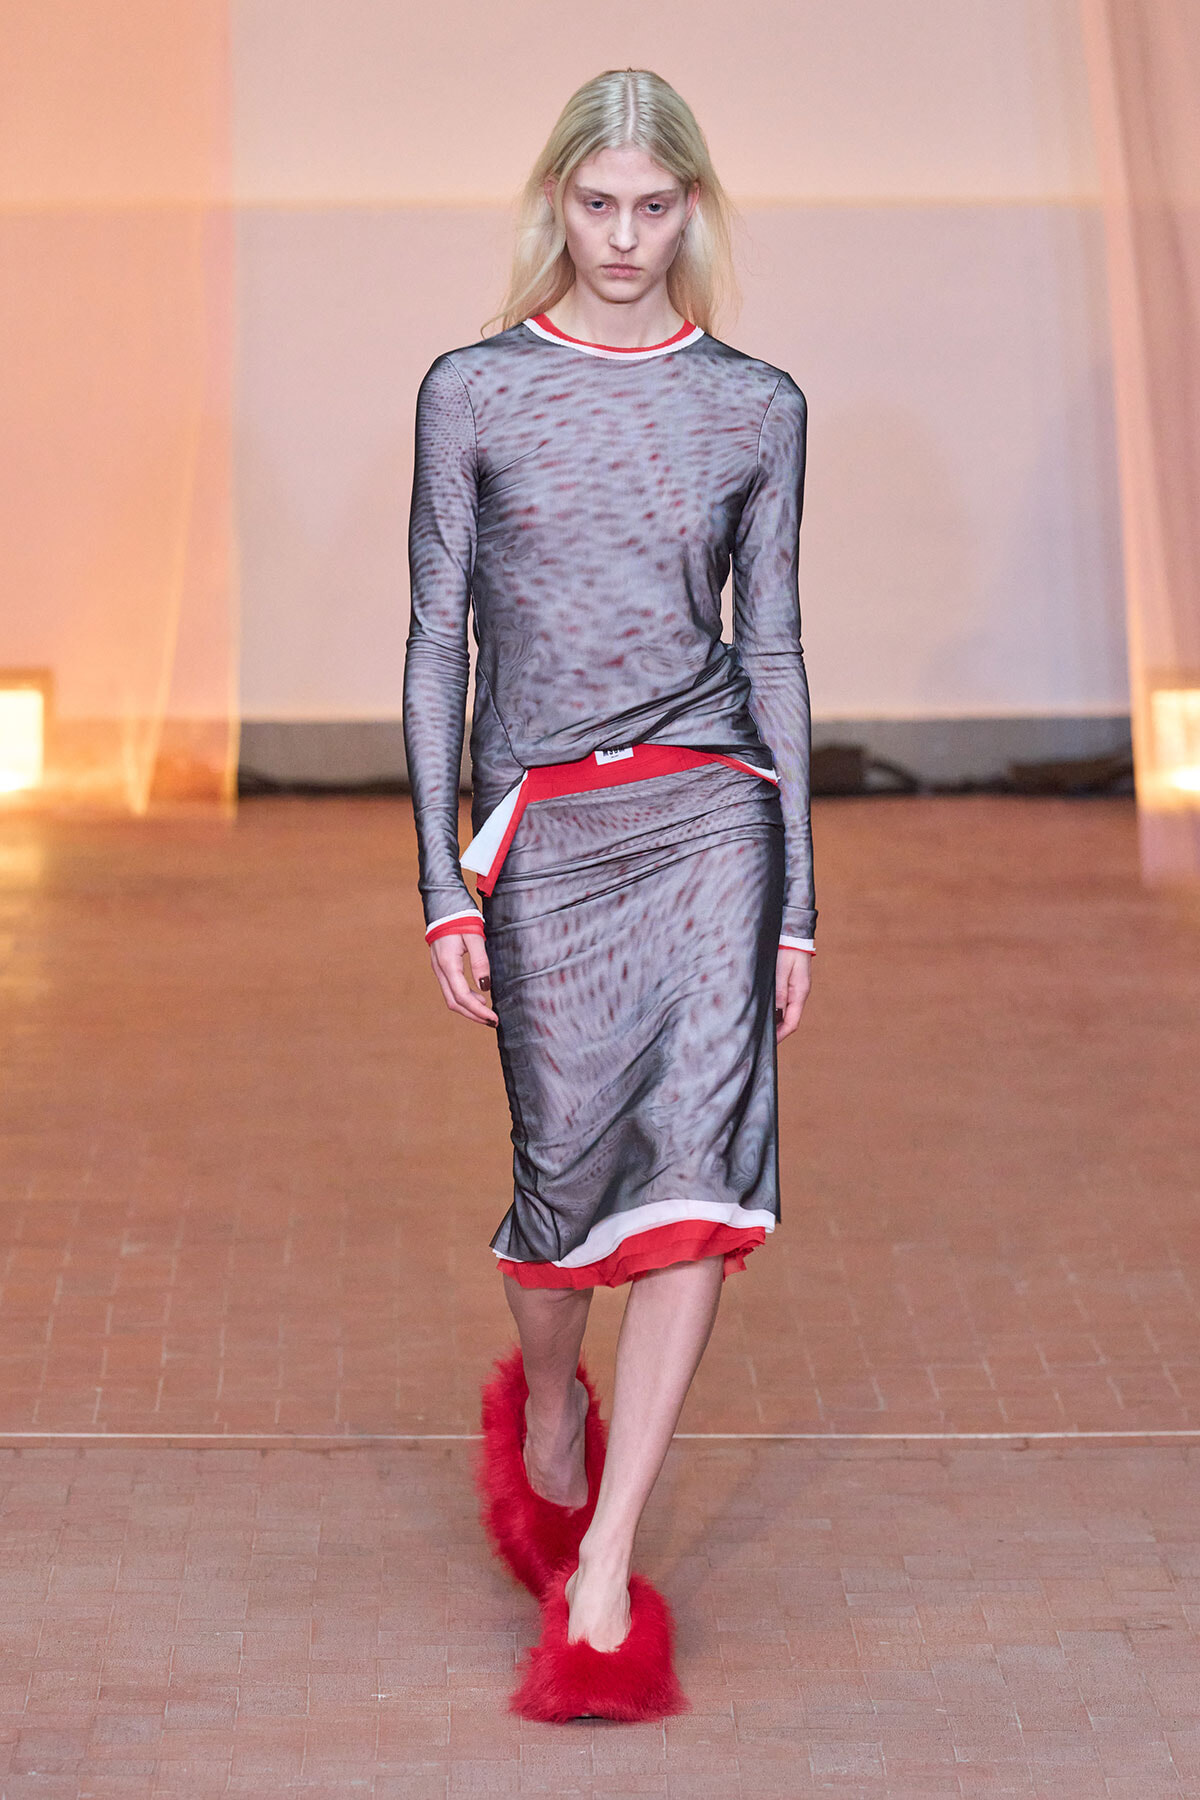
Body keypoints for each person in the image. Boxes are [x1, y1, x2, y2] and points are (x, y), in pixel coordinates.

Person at [402, 66, 816, 1723]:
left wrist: (796, 897)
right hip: (544, 830)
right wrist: (442, 877)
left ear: (694, 209)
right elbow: (443, 637)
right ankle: (550, 1404)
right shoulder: (476, 392)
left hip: (713, 809)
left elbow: (773, 641)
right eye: (598, 206)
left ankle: (600, 1572)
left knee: (700, 1181)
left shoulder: (756, 404)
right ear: (554, 204)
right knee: (563, 1197)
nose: (627, 238)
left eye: (657, 207)